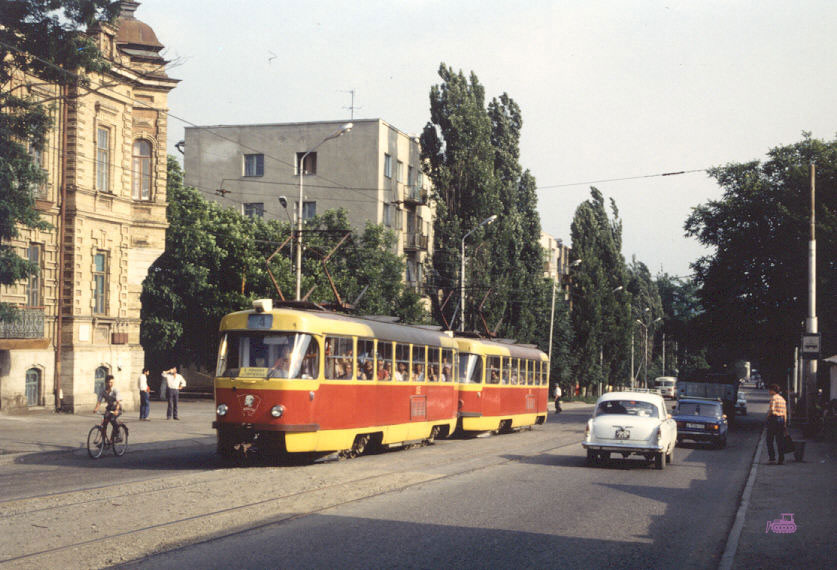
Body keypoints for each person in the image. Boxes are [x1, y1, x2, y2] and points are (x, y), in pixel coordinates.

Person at [93, 375, 122, 441]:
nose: (110, 384)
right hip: (109, 408)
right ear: (105, 382)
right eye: (109, 382)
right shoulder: (103, 391)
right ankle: (103, 442)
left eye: (111, 382)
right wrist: (96, 408)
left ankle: (118, 434)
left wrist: (116, 410)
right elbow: (99, 401)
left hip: (117, 408)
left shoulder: (115, 390)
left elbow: (118, 402)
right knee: (104, 423)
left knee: (112, 419)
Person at [766, 383, 787, 465]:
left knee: (769, 439)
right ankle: (781, 459)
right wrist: (785, 423)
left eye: (770, 390)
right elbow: (785, 412)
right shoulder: (782, 399)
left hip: (774, 419)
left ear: (773, 391)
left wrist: (768, 417)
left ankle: (772, 458)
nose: (769, 392)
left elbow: (772, 409)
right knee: (780, 440)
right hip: (781, 420)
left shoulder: (773, 398)